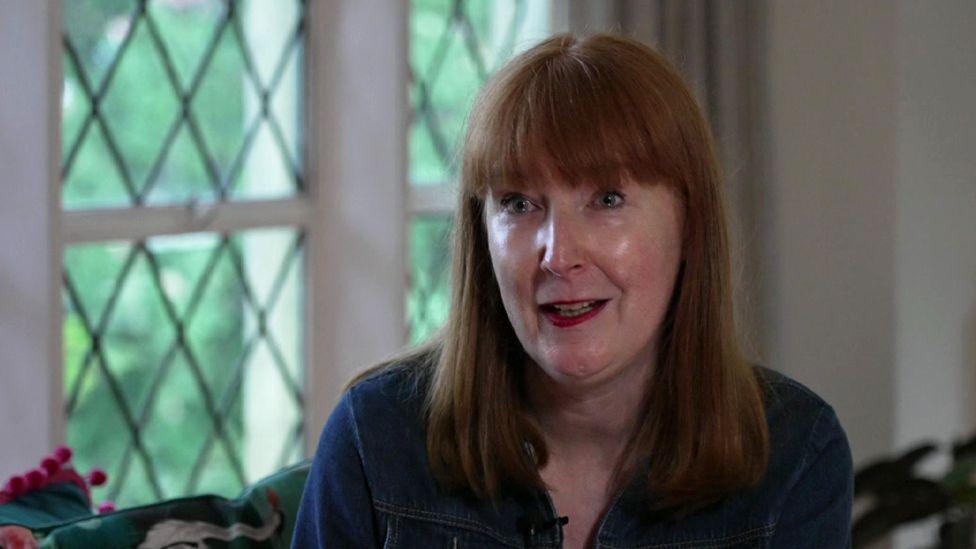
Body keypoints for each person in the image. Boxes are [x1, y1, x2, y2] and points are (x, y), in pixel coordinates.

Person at [293, 33, 853, 548]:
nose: (559, 256)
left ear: (690, 225)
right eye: (518, 204)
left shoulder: (795, 454)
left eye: (607, 199)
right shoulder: (376, 438)